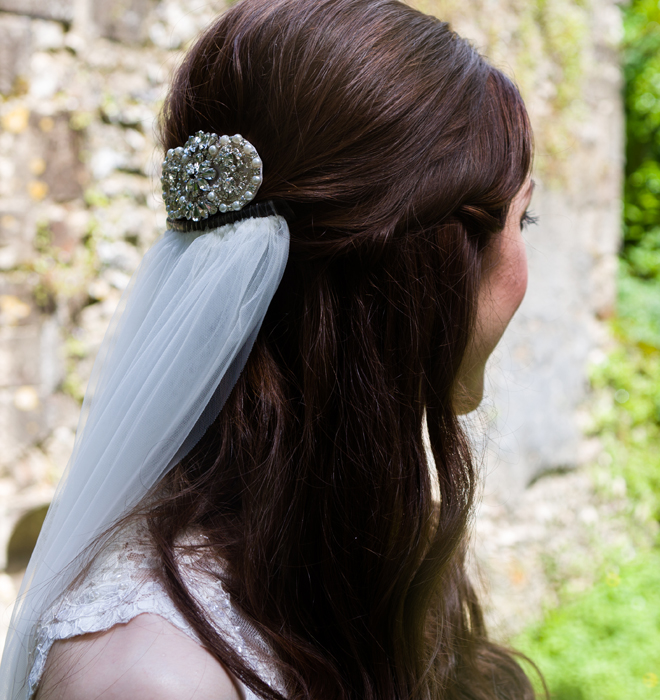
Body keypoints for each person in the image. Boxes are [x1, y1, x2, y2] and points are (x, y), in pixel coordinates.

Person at [0, 1, 538, 698]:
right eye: (523, 219)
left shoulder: (349, 538)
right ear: (426, 269)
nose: (528, 269)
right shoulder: (154, 679)